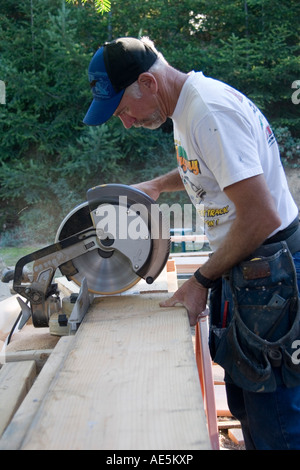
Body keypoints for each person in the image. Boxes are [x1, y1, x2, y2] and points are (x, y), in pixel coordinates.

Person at [83, 37, 300, 450]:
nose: (126, 122)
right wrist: (159, 185)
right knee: (250, 407)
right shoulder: (189, 107)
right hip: (251, 271)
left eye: (124, 110)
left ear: (147, 82)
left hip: (269, 276)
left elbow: (261, 216)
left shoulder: (207, 112)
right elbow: (212, 166)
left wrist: (199, 280)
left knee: (276, 424)